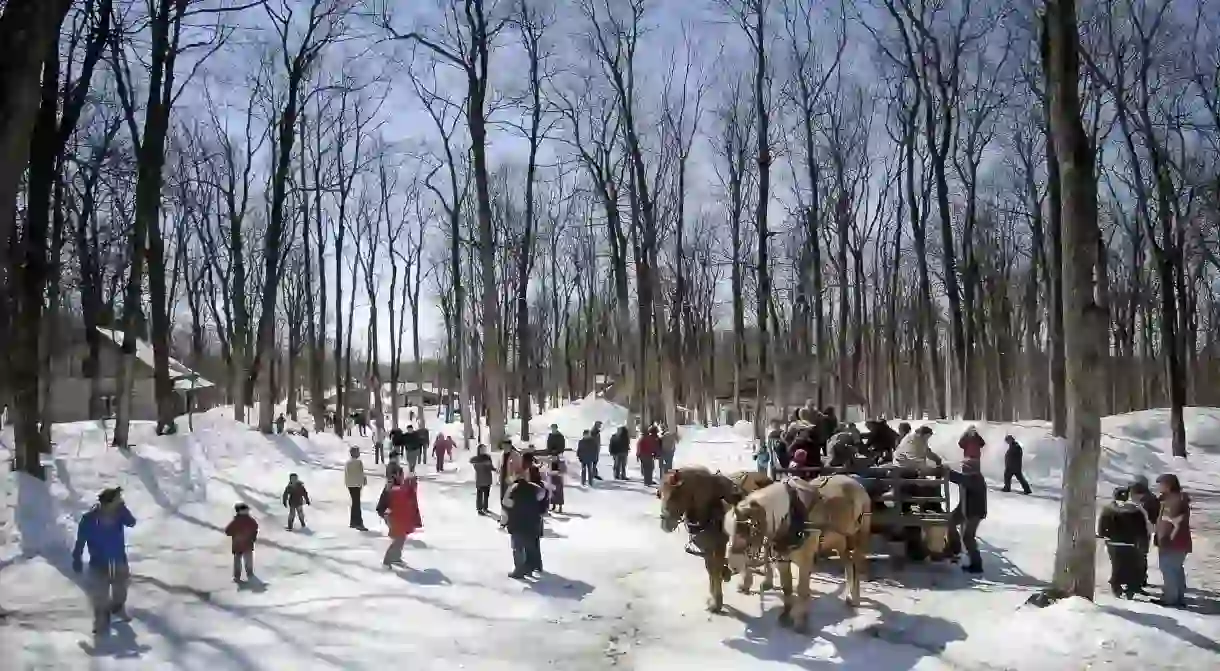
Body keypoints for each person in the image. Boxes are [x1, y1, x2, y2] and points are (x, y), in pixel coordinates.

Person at [71, 487, 136, 634]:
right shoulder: (89, 519)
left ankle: (118, 609)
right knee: (100, 595)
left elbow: (132, 523)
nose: (120, 501)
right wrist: (77, 558)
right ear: (108, 503)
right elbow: (80, 540)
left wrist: (124, 509)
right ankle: (101, 622)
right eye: (118, 500)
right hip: (99, 562)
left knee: (121, 590)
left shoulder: (120, 514)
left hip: (118, 559)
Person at [1097, 487, 1149, 599]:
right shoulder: (1135, 511)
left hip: (1113, 543)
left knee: (1116, 565)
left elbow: (1102, 526)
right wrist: (1143, 542)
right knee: (1131, 566)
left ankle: (1116, 585)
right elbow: (1142, 529)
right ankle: (1130, 588)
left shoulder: (1108, 509)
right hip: (1130, 543)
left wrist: (1103, 535)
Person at [502, 468, 547, 578]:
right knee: (529, 546)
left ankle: (519, 570)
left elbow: (506, 502)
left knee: (518, 548)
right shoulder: (534, 488)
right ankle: (529, 568)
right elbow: (542, 495)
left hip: (517, 523)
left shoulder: (513, 489)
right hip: (532, 522)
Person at [1155, 474, 1192, 608]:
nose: (1159, 487)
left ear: (1169, 485)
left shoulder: (1175, 501)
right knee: (1175, 569)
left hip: (1173, 543)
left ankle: (1171, 599)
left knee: (1169, 569)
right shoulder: (1169, 500)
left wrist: (1169, 539)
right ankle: (1178, 597)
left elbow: (1177, 522)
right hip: (1172, 542)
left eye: (1161, 484)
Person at [947, 458, 987, 573]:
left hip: (974, 512)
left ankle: (976, 565)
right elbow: (960, 479)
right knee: (950, 521)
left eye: (965, 467)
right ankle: (954, 547)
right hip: (965, 509)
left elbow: (958, 478)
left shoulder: (976, 478)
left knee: (968, 537)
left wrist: (947, 471)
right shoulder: (970, 477)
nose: (963, 468)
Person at [376, 472, 423, 567]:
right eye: (415, 484)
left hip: (400, 519)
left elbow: (413, 509)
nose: (416, 486)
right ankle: (387, 560)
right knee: (398, 539)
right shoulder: (399, 492)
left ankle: (396, 557)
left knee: (401, 539)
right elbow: (391, 503)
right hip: (394, 518)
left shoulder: (409, 493)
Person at [1128, 475, 1160, 593]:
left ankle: (1139, 578)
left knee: (1138, 556)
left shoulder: (1147, 501)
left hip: (1141, 532)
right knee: (1140, 555)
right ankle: (1140, 578)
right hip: (1143, 532)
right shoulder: (1151, 498)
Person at [224, 502, 259, 583]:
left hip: (238, 544)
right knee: (247, 560)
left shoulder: (236, 521)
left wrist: (234, 534)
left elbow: (228, 531)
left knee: (238, 560)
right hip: (246, 544)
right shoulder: (249, 520)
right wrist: (253, 537)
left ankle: (238, 576)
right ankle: (248, 574)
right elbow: (255, 529)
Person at [344, 447, 368, 531]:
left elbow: (346, 474)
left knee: (354, 502)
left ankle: (353, 522)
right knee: (357, 503)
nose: (359, 453)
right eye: (358, 452)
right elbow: (361, 473)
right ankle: (358, 523)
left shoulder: (348, 462)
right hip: (357, 485)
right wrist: (364, 481)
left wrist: (347, 483)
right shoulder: (358, 462)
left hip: (350, 485)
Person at [470, 444, 497, 515]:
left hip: (487, 478)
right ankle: (479, 509)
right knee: (479, 495)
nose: (483, 450)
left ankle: (485, 507)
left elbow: (491, 466)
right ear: (479, 450)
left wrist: (495, 469)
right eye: (482, 449)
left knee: (486, 494)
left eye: (484, 449)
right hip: (480, 479)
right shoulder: (476, 458)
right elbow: (472, 462)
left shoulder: (488, 457)